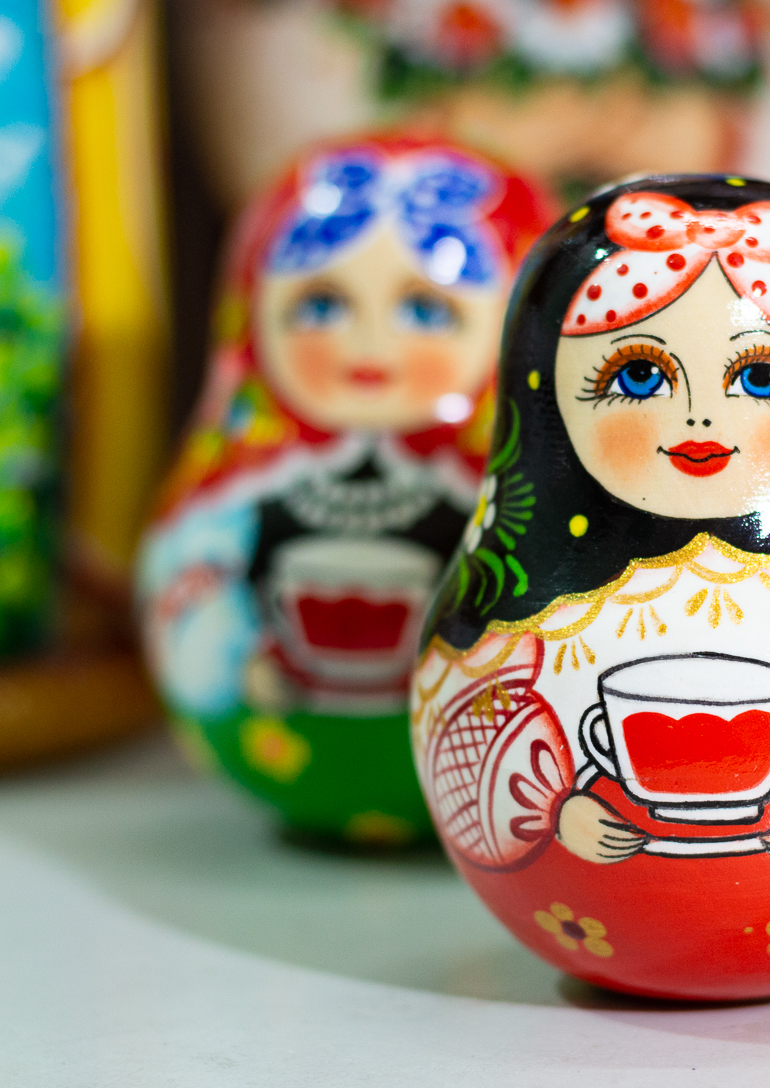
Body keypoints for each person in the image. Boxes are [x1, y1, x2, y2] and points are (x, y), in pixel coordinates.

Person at [412, 176, 770, 1000]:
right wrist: (557, 809)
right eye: (639, 377)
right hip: (589, 906)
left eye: (760, 378)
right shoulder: (537, 609)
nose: (699, 419)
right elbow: (479, 728)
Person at [139, 135, 554, 840]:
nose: (368, 347)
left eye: (426, 311)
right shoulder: (228, 503)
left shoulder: (516, 503)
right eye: (321, 306)